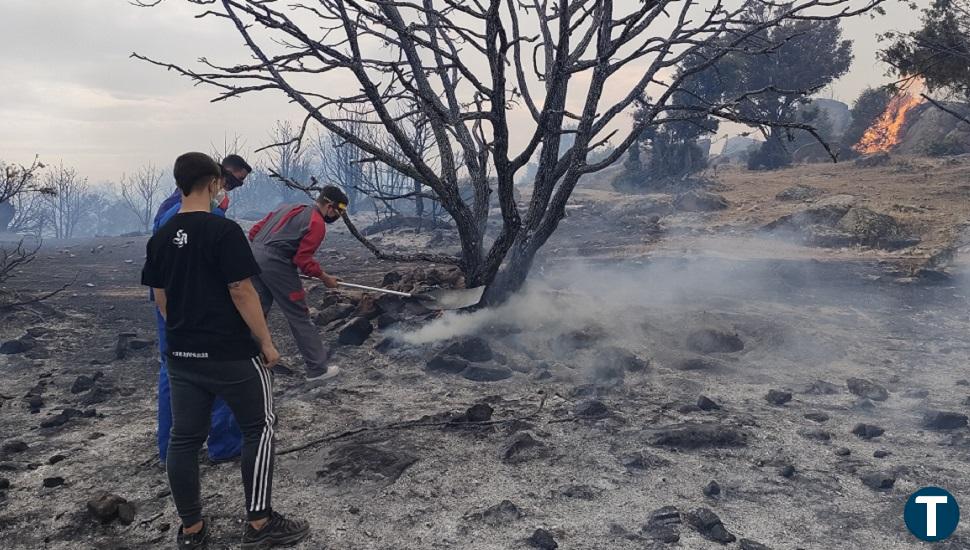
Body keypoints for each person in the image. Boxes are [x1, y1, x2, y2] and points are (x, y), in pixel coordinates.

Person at [142, 152, 309, 549]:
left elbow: (161, 298)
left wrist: (181, 335)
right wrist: (267, 343)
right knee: (260, 427)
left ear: (179, 183)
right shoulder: (224, 230)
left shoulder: (161, 235)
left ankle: (192, 531)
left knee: (183, 439)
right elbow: (241, 290)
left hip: (181, 354)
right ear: (214, 182)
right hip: (230, 354)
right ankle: (259, 523)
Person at [151, 154, 252, 464]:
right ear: (213, 179)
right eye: (229, 181)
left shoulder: (168, 211)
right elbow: (238, 285)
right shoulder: (207, 218)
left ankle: (173, 449)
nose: (230, 188)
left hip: (171, 303)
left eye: (237, 184)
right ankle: (224, 444)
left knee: (174, 369)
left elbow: (157, 270)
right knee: (223, 368)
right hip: (199, 304)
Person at [248, 186, 348, 380]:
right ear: (329, 206)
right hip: (276, 263)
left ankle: (247, 361)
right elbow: (303, 261)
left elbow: (254, 232)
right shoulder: (317, 223)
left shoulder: (288, 208)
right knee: (299, 315)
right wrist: (325, 277)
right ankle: (317, 369)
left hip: (253, 255)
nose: (338, 216)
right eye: (338, 211)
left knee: (255, 311)